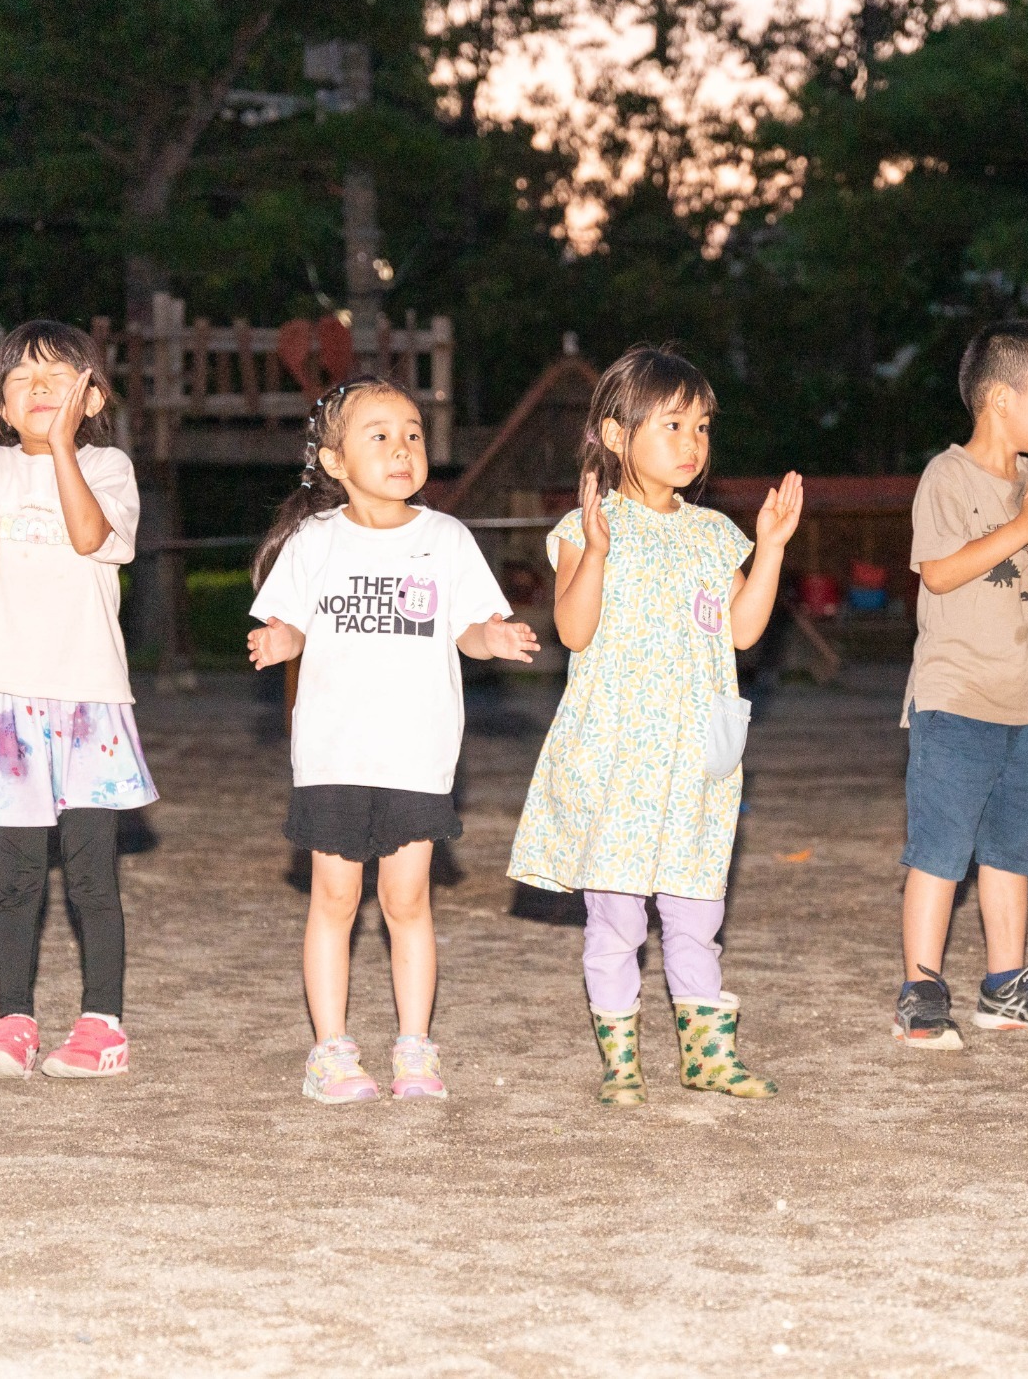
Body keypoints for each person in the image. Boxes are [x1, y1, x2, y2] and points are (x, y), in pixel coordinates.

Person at [508, 345, 802, 1106]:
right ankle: (622, 1060)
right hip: (619, 755)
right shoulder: (587, 525)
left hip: (698, 751)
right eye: (672, 425)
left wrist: (768, 549)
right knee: (617, 919)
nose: (691, 443)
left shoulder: (712, 534)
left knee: (698, 912)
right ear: (614, 434)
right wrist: (597, 553)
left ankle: (707, 1056)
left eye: (701, 427)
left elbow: (743, 632)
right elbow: (572, 629)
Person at [248, 377, 537, 1104]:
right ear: (336, 460)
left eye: (411, 432)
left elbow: (468, 628)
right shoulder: (316, 542)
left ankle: (415, 1048)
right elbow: (289, 623)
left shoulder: (446, 539)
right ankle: (331, 1051)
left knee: (408, 902)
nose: (401, 447)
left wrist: (490, 636)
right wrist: (279, 640)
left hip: (417, 752)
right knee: (335, 899)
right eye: (378, 434)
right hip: (334, 754)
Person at [0, 320, 155, 1081]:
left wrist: (61, 450)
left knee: (93, 874)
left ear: (90, 397)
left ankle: (101, 1026)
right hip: (5, 703)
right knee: (15, 876)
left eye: (57, 379)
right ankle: (14, 1021)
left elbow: (94, 537)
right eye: (22, 377)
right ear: (0, 396)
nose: (38, 391)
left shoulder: (109, 464)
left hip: (87, 698)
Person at [892, 321, 1028, 1050]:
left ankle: (1005, 987)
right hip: (956, 700)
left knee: (1013, 852)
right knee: (939, 852)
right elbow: (940, 571)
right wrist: (1026, 525)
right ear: (998, 399)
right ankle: (921, 993)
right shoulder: (947, 478)